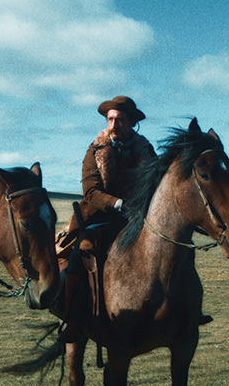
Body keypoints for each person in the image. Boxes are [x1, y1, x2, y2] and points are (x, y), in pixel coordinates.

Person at [56, 96, 156, 340]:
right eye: (110, 119)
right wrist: (117, 203)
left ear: (131, 122)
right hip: (99, 216)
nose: (113, 124)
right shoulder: (95, 150)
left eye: (119, 119)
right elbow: (90, 192)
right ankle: (72, 318)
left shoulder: (146, 150)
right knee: (81, 255)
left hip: (137, 217)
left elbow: (155, 182)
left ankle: (184, 311)